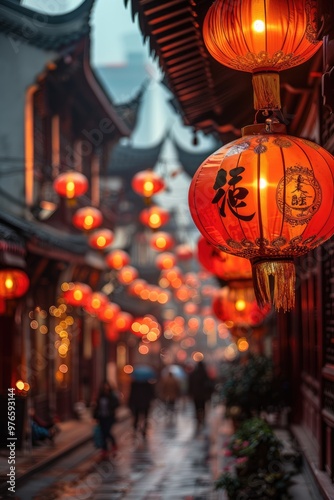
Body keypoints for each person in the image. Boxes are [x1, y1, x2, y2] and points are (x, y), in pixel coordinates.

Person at [93, 380, 120, 459]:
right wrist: (95, 416)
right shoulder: (100, 396)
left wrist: (111, 407)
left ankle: (113, 444)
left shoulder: (112, 396)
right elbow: (96, 407)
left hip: (109, 417)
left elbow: (117, 404)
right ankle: (104, 449)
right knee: (103, 433)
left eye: (107, 386)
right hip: (102, 417)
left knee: (107, 431)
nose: (106, 387)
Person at [188, 360, 215, 431]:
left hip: (196, 395)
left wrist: (190, 393)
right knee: (202, 407)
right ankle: (202, 418)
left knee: (196, 407)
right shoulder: (205, 374)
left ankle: (198, 418)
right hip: (203, 395)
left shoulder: (194, 374)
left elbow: (190, 384)